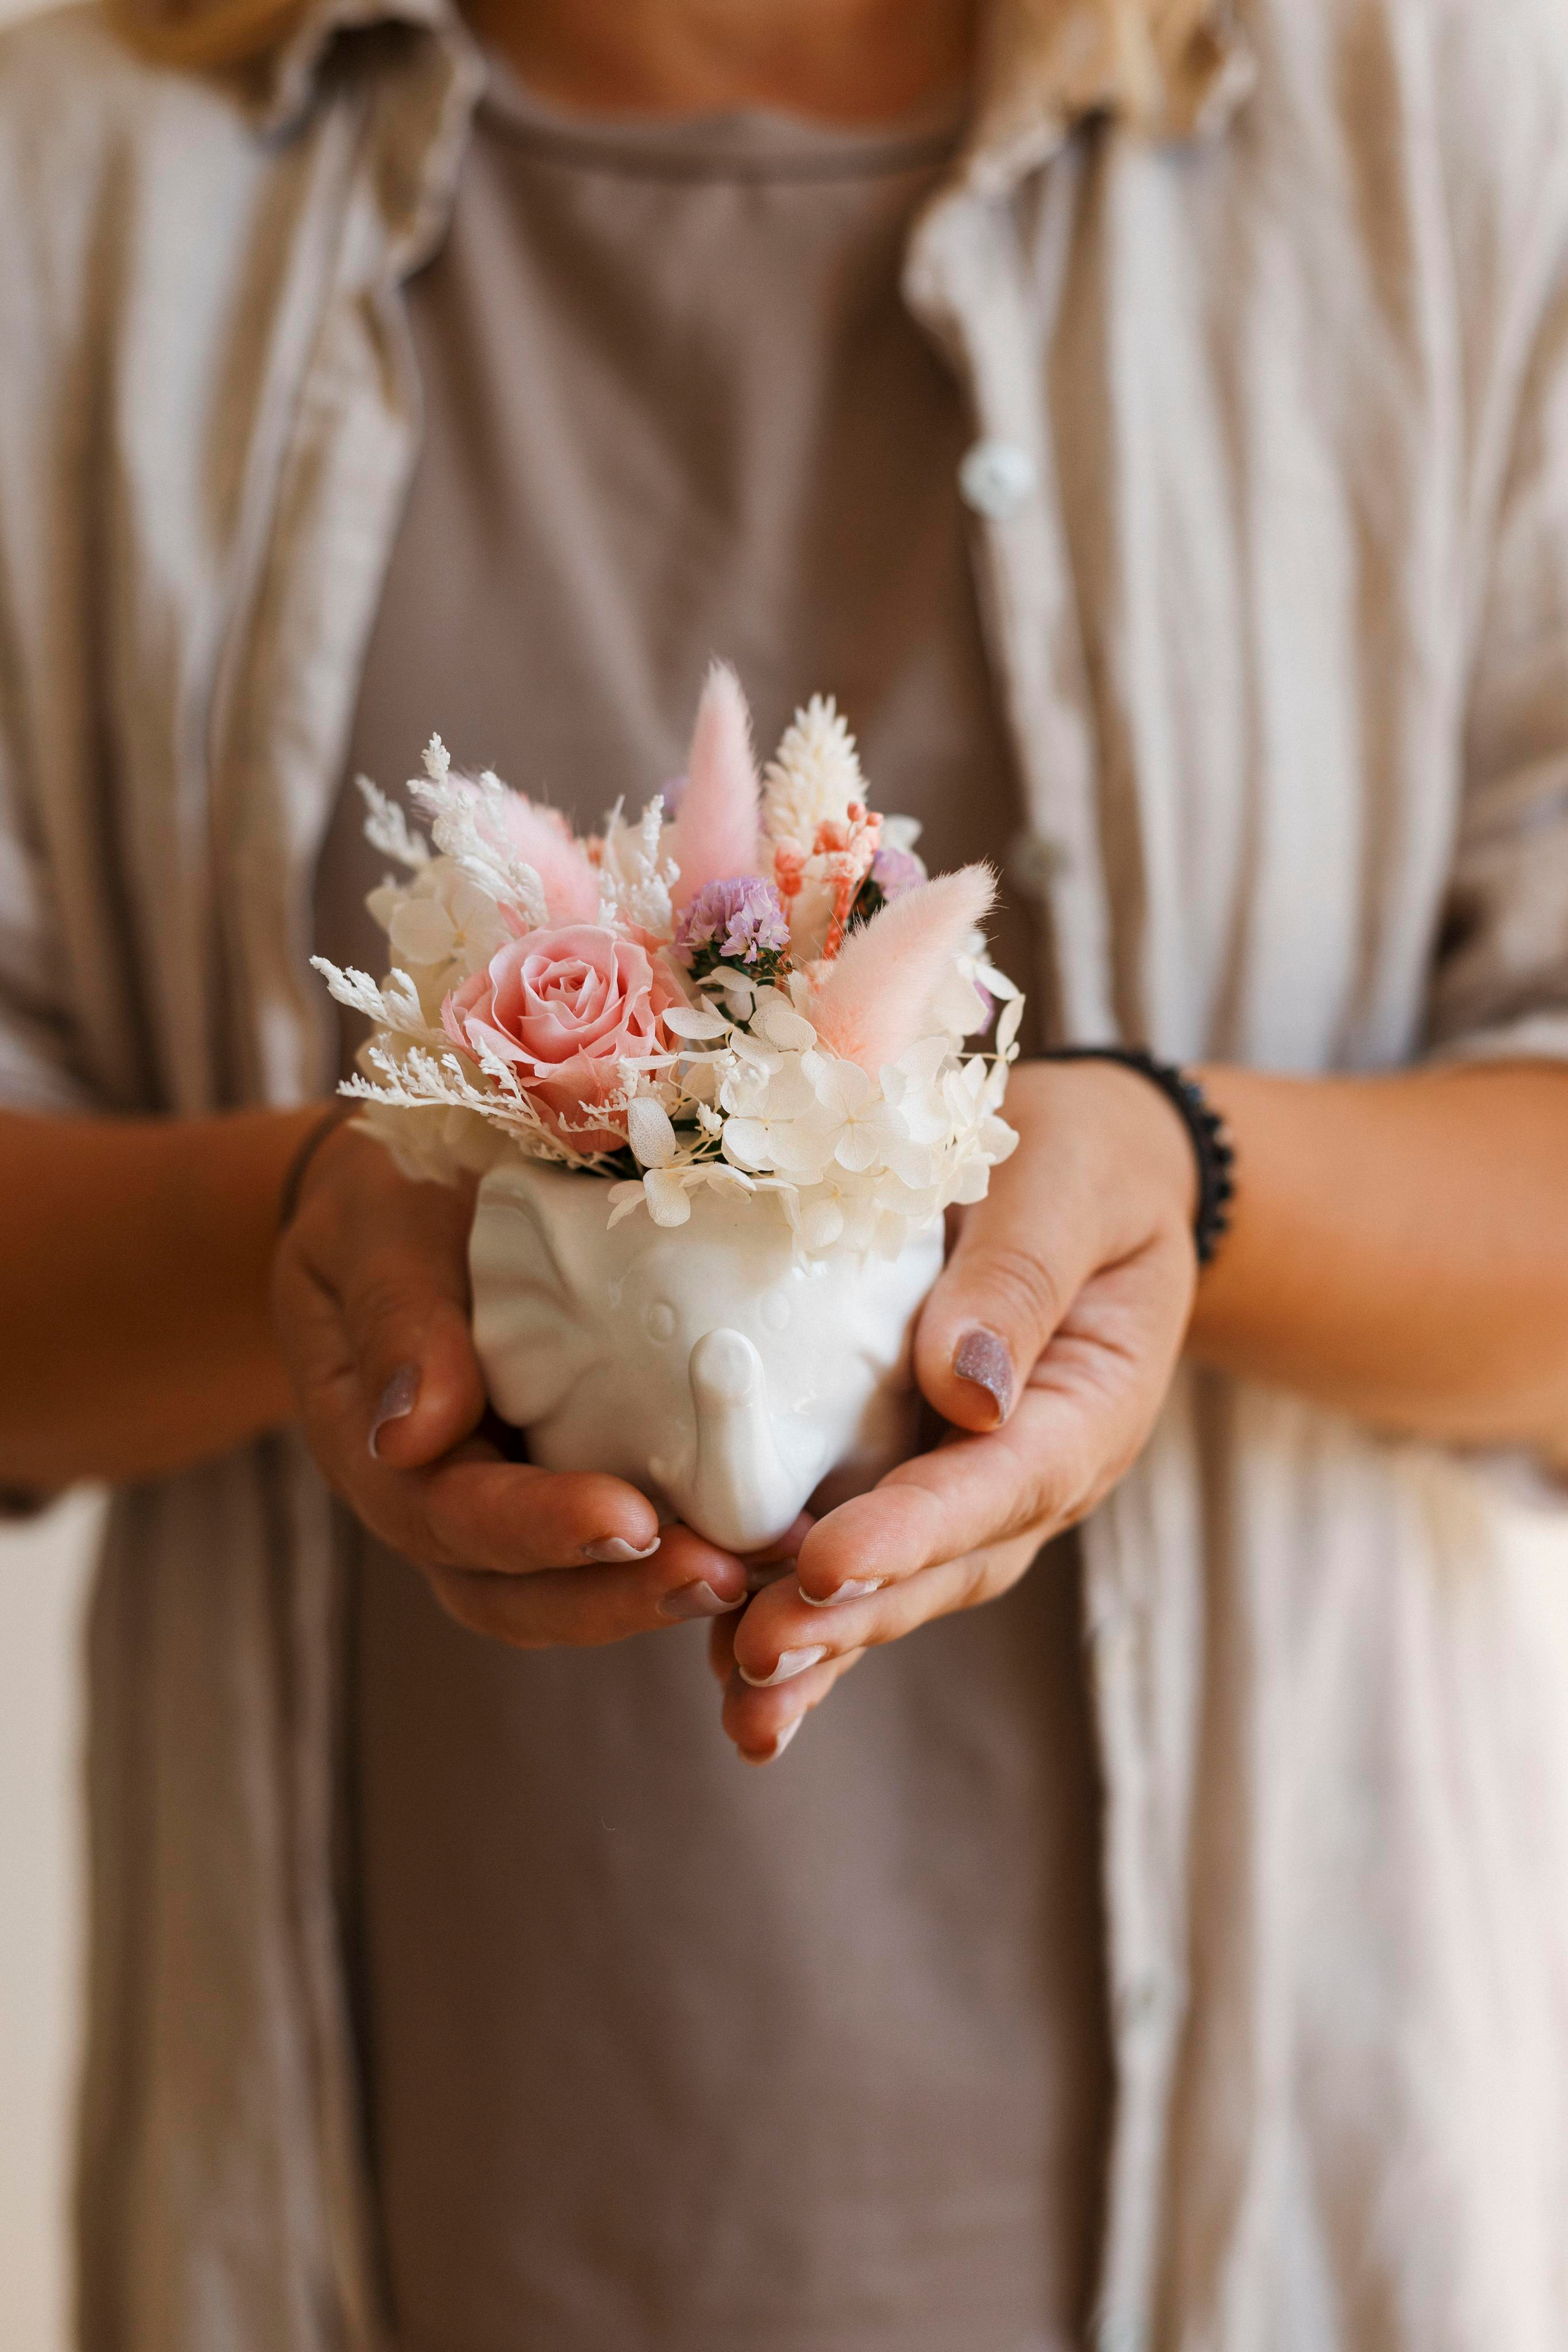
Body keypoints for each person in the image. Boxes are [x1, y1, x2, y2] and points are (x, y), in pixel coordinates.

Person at [3, 0, 1568, 2344]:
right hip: (397, 2235)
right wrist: (315, 1225)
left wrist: (1180, 1176)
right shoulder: (77, 174)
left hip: (1290, 2228)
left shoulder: (1433, 136)